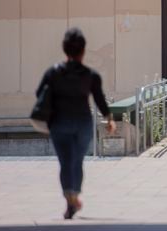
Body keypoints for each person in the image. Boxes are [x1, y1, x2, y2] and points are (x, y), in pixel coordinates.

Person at [36, 28, 116, 219]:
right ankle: (75, 196)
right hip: (83, 124)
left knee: (65, 163)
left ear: (65, 49)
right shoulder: (91, 75)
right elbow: (99, 99)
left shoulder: (53, 73)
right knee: (77, 162)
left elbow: (40, 94)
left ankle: (70, 199)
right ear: (83, 50)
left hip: (59, 124)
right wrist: (110, 120)